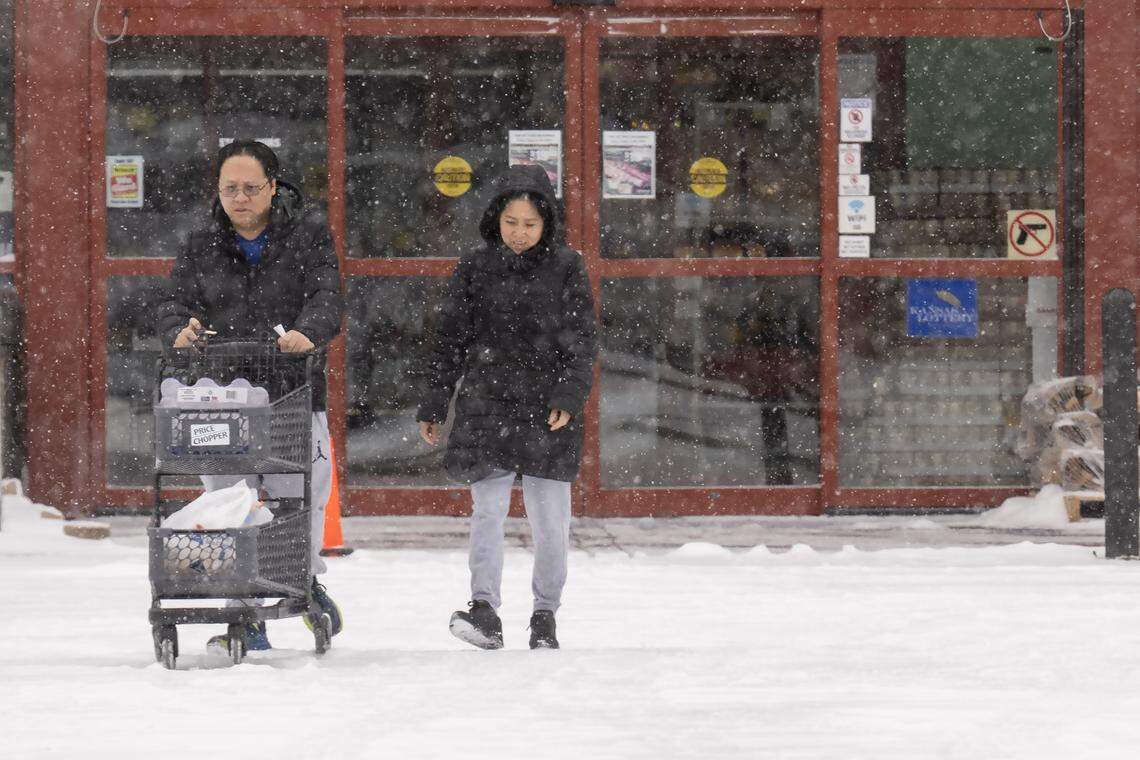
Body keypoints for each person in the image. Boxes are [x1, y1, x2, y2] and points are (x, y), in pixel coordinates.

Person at [156, 140, 345, 653]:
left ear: (273, 186)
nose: (239, 198)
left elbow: (329, 296)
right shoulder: (200, 239)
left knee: (299, 495)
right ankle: (245, 609)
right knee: (229, 501)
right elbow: (173, 301)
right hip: (222, 393)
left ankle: (302, 580)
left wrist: (308, 332)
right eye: (229, 189)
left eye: (249, 188)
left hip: (289, 391)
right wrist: (179, 328)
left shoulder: (306, 233)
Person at [417, 164, 598, 650]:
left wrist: (568, 396)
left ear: (548, 225)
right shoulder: (475, 266)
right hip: (487, 402)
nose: (520, 233)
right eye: (511, 222)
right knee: (488, 510)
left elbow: (583, 342)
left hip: (546, 406)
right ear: (496, 219)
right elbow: (450, 340)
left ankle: (545, 615)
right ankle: (483, 609)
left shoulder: (567, 266)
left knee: (550, 516)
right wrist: (435, 401)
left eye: (531, 224)